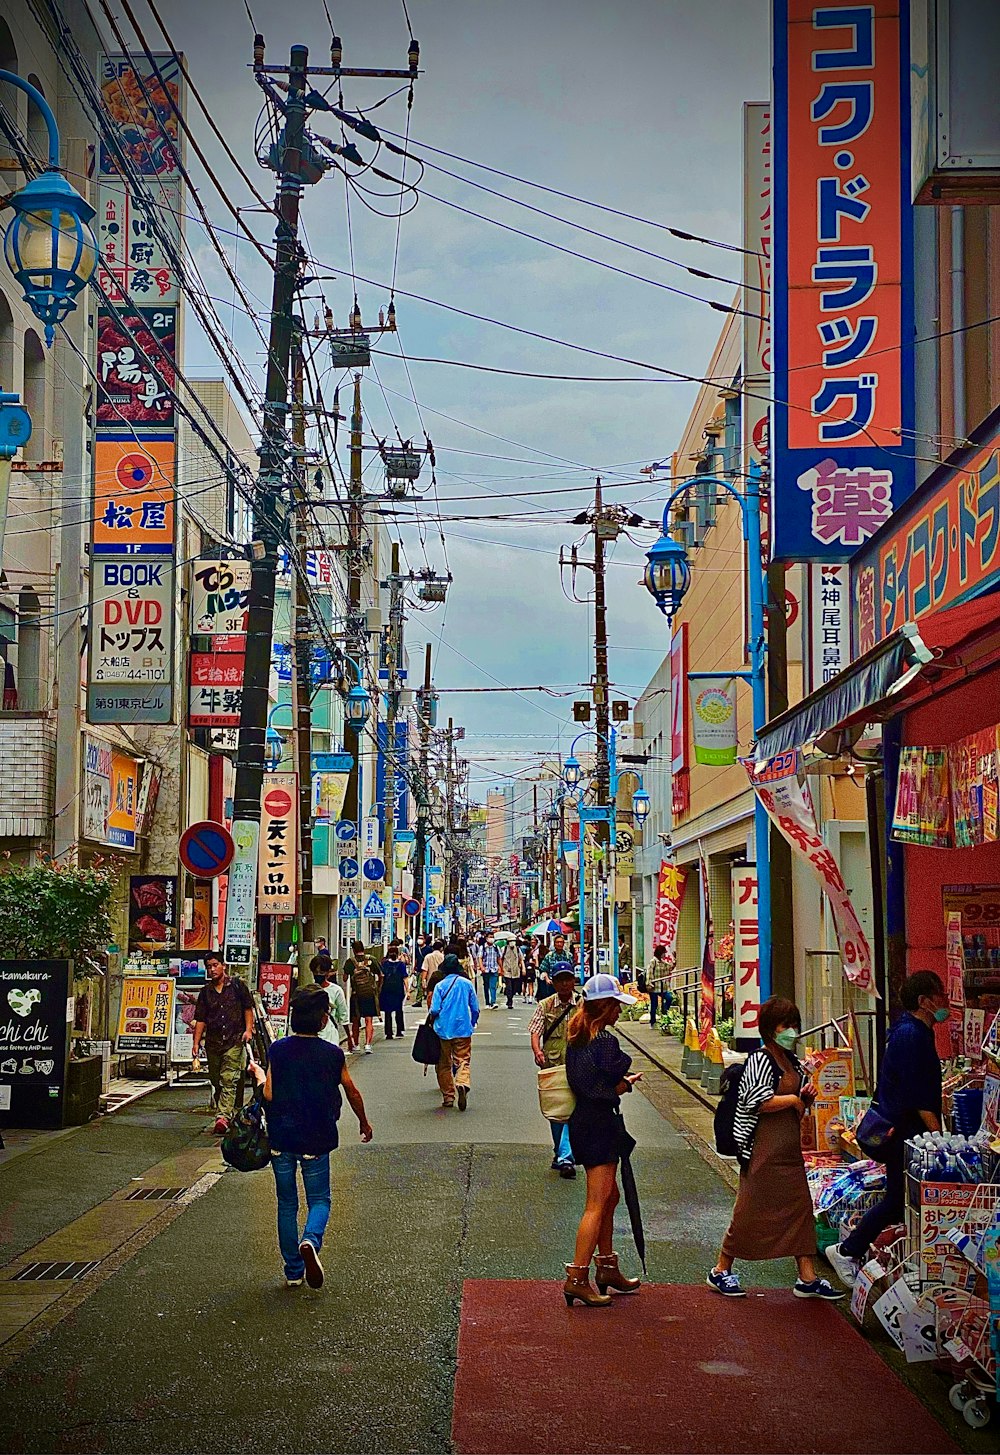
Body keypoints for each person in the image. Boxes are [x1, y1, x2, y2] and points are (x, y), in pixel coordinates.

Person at [707, 996, 843, 1301]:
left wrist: (803, 1100)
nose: (792, 1031)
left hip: (789, 1151)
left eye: (795, 1025)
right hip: (762, 1149)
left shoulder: (791, 1062)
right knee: (750, 1209)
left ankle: (807, 1276)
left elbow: (792, 1106)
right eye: (786, 1025)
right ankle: (721, 1269)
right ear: (770, 1029)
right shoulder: (760, 1059)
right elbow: (758, 1101)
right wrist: (794, 1100)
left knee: (800, 1210)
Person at [828, 971, 948, 1287]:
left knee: (902, 1199)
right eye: (939, 995)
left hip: (906, 1132)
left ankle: (860, 1252)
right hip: (904, 1133)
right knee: (899, 1199)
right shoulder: (912, 1035)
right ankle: (847, 1249)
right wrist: (941, 1137)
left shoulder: (912, 1031)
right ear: (924, 1002)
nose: (945, 1001)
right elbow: (917, 1094)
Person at [251, 985, 372, 1288]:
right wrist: (363, 1122)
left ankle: (293, 1272)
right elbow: (351, 1090)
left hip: (281, 1137)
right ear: (322, 1021)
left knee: (286, 1204)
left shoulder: (277, 1050)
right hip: (317, 1136)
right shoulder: (332, 1054)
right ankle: (310, 1240)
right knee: (319, 1199)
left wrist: (260, 1077)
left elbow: (268, 1093)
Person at [563, 974, 643, 1307]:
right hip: (600, 1124)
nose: (620, 1013)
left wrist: (615, 1086)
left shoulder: (577, 1037)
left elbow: (584, 1084)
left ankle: (607, 1267)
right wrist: (622, 1086)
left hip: (583, 1123)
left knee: (610, 1197)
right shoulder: (604, 1043)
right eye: (616, 1007)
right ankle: (577, 1277)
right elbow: (603, 1084)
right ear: (606, 1007)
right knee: (597, 1203)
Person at [191, 952, 254, 1134]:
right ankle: (230, 1113)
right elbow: (201, 1019)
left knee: (229, 1078)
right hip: (213, 1041)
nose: (212, 969)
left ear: (223, 965)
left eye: (215, 965)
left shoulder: (237, 986)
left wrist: (248, 1030)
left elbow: (247, 1008)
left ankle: (222, 1117)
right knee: (216, 1080)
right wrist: (196, 1043)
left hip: (234, 1039)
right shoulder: (206, 992)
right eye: (209, 966)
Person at [530, 962, 581, 1178]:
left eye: (567, 979)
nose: (564, 984)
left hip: (578, 1063)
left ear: (573, 981)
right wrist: (537, 1051)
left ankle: (566, 1157)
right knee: (555, 1111)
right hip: (552, 1064)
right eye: (559, 979)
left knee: (570, 1110)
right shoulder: (545, 1005)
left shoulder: (582, 1004)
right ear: (553, 982)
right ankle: (560, 1151)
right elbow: (535, 1030)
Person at [429, 952, 480, 1111]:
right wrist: (471, 1022)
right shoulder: (467, 984)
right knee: (463, 1059)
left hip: (443, 1029)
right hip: (463, 1028)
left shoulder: (440, 986)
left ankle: (448, 1096)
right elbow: (475, 1008)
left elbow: (435, 1009)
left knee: (444, 1063)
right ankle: (462, 1083)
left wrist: (432, 1018)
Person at [343, 940, 380, 1054]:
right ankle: (368, 1045)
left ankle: (356, 1044)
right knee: (369, 1020)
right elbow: (380, 974)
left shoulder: (350, 962)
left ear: (353, 950)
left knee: (355, 1021)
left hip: (356, 994)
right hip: (369, 994)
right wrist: (377, 988)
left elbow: (344, 978)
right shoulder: (371, 960)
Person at [311, 955, 350, 1047]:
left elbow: (343, 1016)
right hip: (311, 1036)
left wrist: (349, 1038)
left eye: (322, 972)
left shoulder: (336, 990)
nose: (318, 975)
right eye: (316, 972)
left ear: (328, 972)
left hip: (330, 1035)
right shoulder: (307, 990)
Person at [379, 942, 409, 1040]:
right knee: (399, 1010)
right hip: (398, 990)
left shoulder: (384, 964)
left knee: (388, 1012)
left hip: (386, 990)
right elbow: (405, 978)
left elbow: (381, 977)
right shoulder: (401, 965)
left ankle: (388, 1033)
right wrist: (407, 990)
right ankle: (399, 1031)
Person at [641, 944, 673, 1027]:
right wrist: (649, 983)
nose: (664, 955)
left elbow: (670, 968)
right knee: (654, 1005)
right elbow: (649, 972)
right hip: (654, 987)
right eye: (663, 953)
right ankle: (653, 1022)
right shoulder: (653, 961)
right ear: (660, 953)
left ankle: (664, 1012)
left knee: (669, 998)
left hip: (662, 987)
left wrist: (674, 960)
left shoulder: (662, 962)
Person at [537, 933, 569, 1002]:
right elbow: (543, 969)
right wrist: (547, 979)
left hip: (565, 984)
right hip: (552, 984)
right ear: (554, 944)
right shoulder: (549, 956)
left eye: (561, 942)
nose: (559, 944)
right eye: (557, 942)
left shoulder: (568, 956)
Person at [479, 930, 500, 1009]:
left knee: (493, 986)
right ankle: (487, 1002)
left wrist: (500, 968)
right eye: (490, 937)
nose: (491, 939)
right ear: (486, 938)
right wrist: (482, 967)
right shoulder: (483, 948)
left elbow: (499, 958)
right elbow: (480, 958)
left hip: (494, 969)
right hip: (486, 969)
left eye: (492, 937)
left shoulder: (496, 948)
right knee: (486, 986)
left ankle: (493, 1002)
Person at [500, 937, 523, 1009]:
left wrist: (523, 968)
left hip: (515, 971)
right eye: (511, 941)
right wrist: (501, 969)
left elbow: (521, 959)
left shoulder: (518, 949)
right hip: (506, 970)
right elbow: (500, 959)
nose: (512, 942)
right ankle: (510, 1001)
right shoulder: (504, 949)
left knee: (514, 987)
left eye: (513, 941)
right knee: (509, 986)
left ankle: (510, 997)